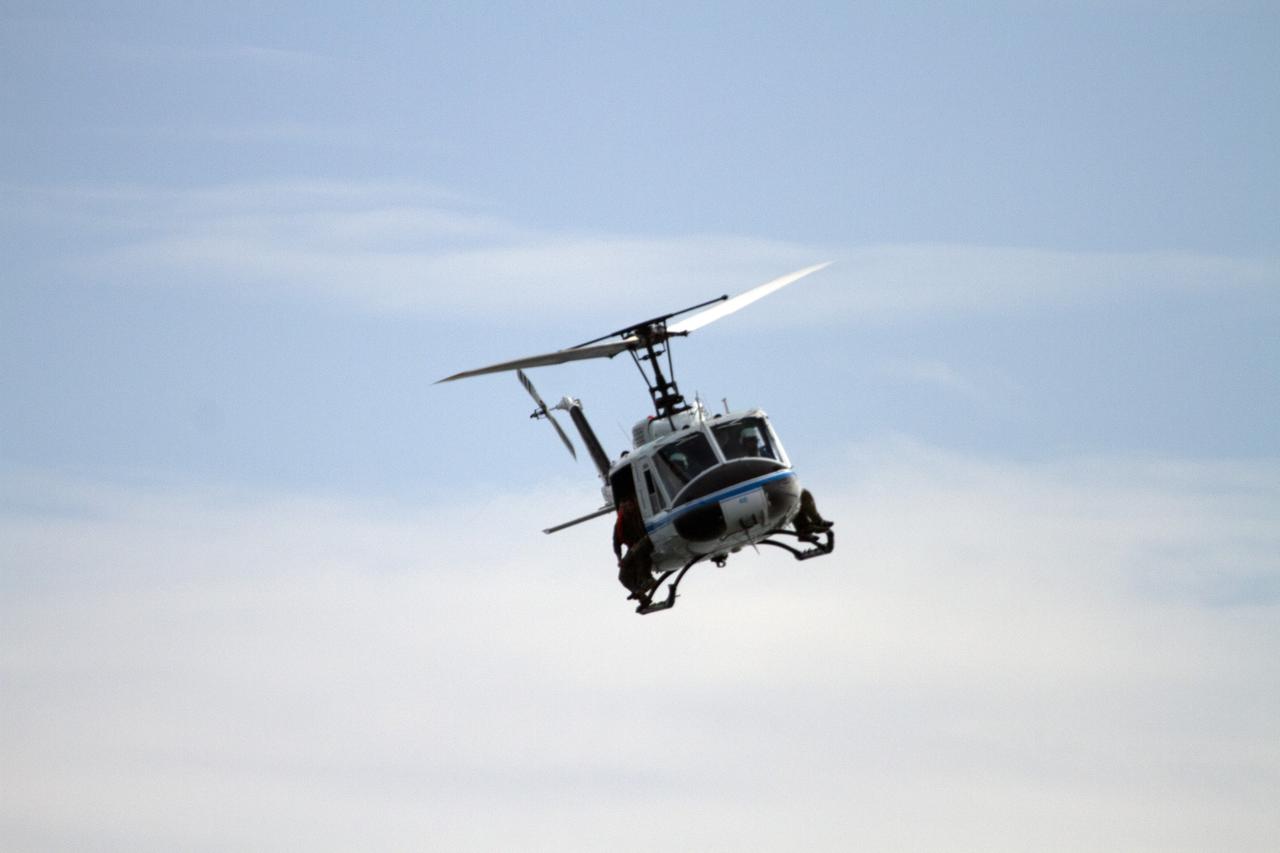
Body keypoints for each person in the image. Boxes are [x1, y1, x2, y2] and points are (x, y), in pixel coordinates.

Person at [613, 497, 656, 602]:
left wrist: (637, 546)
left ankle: (647, 579)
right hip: (634, 546)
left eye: (629, 505)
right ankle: (639, 593)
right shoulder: (619, 524)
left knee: (638, 551)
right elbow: (616, 543)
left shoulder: (643, 513)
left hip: (651, 538)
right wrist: (620, 560)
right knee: (622, 576)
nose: (627, 508)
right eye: (624, 507)